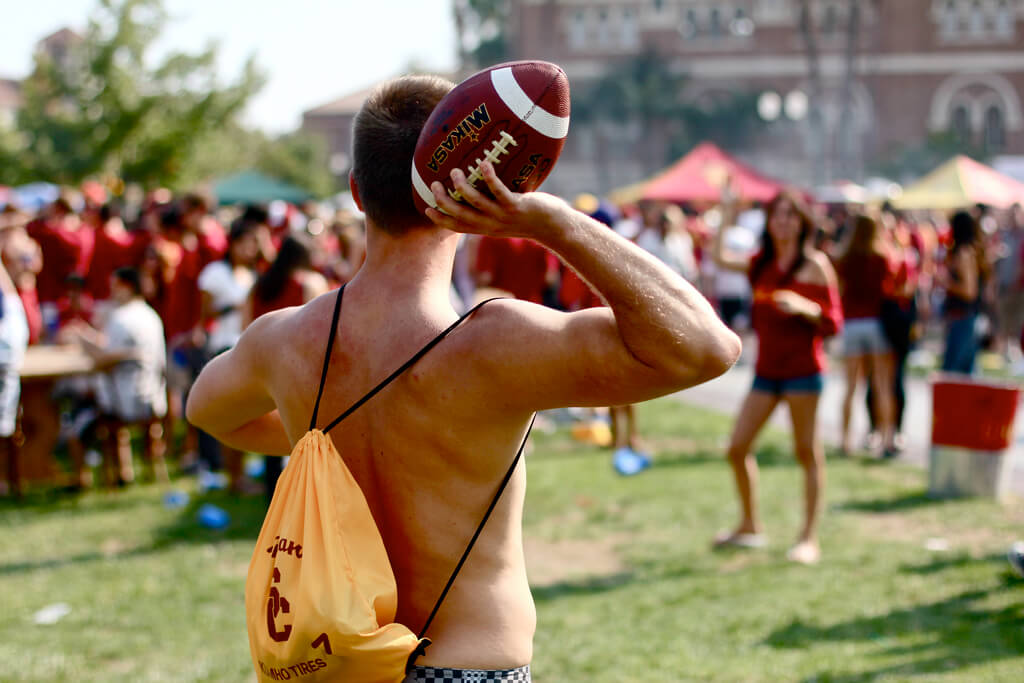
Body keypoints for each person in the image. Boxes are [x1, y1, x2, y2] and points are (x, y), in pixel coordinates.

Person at [186, 74, 740, 681]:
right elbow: (706, 347)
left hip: (336, 666)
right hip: (466, 664)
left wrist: (309, 435)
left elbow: (207, 413)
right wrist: (555, 223)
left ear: (356, 193)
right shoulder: (496, 344)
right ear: (478, 188)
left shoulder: (282, 340)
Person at [711, 189, 842, 565]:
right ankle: (750, 525)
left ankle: (808, 538)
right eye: (777, 214)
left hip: (804, 373)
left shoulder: (815, 266)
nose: (783, 221)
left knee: (806, 453)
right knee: (737, 448)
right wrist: (726, 211)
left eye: (790, 215)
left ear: (803, 222)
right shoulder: (761, 264)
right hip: (767, 373)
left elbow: (835, 323)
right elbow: (720, 257)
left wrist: (807, 307)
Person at [242, 233, 328, 500]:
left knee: (272, 432)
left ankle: (273, 495)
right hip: (301, 368)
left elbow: (245, 328)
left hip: (264, 368)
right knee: (300, 433)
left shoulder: (258, 286)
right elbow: (321, 329)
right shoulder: (309, 283)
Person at [64, 267, 168, 486]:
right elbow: (114, 351)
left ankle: (80, 478)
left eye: (114, 287)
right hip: (151, 395)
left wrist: (82, 339)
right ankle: (124, 472)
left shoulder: (121, 318)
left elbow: (104, 360)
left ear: (126, 287)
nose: (111, 293)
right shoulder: (151, 315)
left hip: (124, 400)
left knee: (76, 408)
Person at [195, 217, 261, 493]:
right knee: (232, 413)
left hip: (248, 348)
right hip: (224, 347)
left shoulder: (254, 275)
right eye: (245, 243)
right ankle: (232, 475)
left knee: (248, 415)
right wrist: (234, 307)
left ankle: (239, 473)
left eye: (253, 244)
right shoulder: (214, 273)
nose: (250, 249)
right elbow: (204, 312)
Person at [834, 213, 898, 458]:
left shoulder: (845, 257)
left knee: (850, 387)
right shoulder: (881, 257)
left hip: (851, 324)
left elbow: (839, 290)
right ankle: (886, 439)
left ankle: (845, 440)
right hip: (875, 323)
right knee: (882, 385)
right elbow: (889, 287)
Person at [940, 210, 991, 374]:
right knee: (964, 372)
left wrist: (947, 283)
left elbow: (970, 291)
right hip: (967, 317)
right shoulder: (971, 251)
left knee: (953, 372)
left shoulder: (964, 253)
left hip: (963, 317)